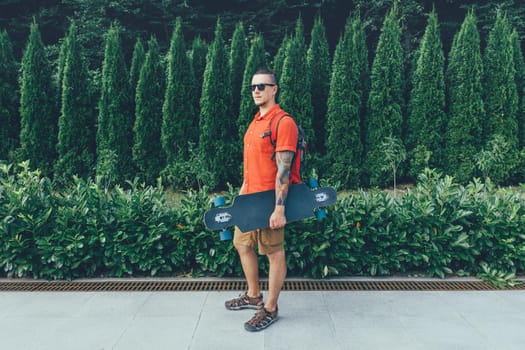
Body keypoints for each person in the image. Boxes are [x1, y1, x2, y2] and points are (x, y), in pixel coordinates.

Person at [224, 69, 300, 332]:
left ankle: (270, 307)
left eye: (262, 86)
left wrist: (279, 208)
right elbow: (250, 166)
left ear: (274, 89)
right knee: (241, 244)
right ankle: (254, 294)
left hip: (270, 201)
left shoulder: (283, 122)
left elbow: (284, 170)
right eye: (253, 86)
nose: (256, 90)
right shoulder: (256, 121)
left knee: (273, 252)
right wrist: (240, 199)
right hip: (250, 199)